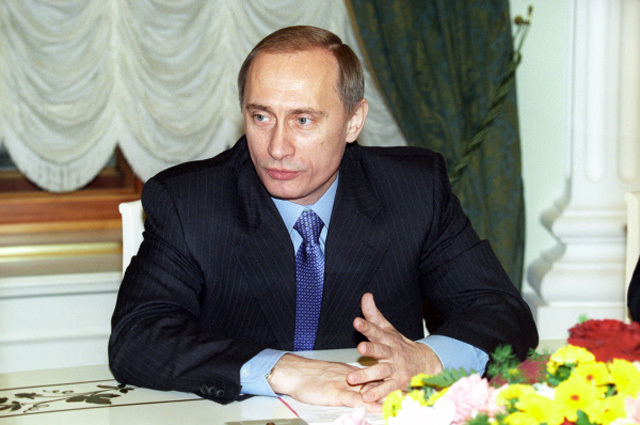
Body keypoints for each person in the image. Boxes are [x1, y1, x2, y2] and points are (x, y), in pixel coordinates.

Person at [109, 25, 538, 411]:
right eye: (261, 117)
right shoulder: (189, 201)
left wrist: (427, 359)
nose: (277, 147)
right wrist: (283, 370)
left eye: (303, 120)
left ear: (353, 121)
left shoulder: (413, 190)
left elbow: (502, 312)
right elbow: (138, 336)